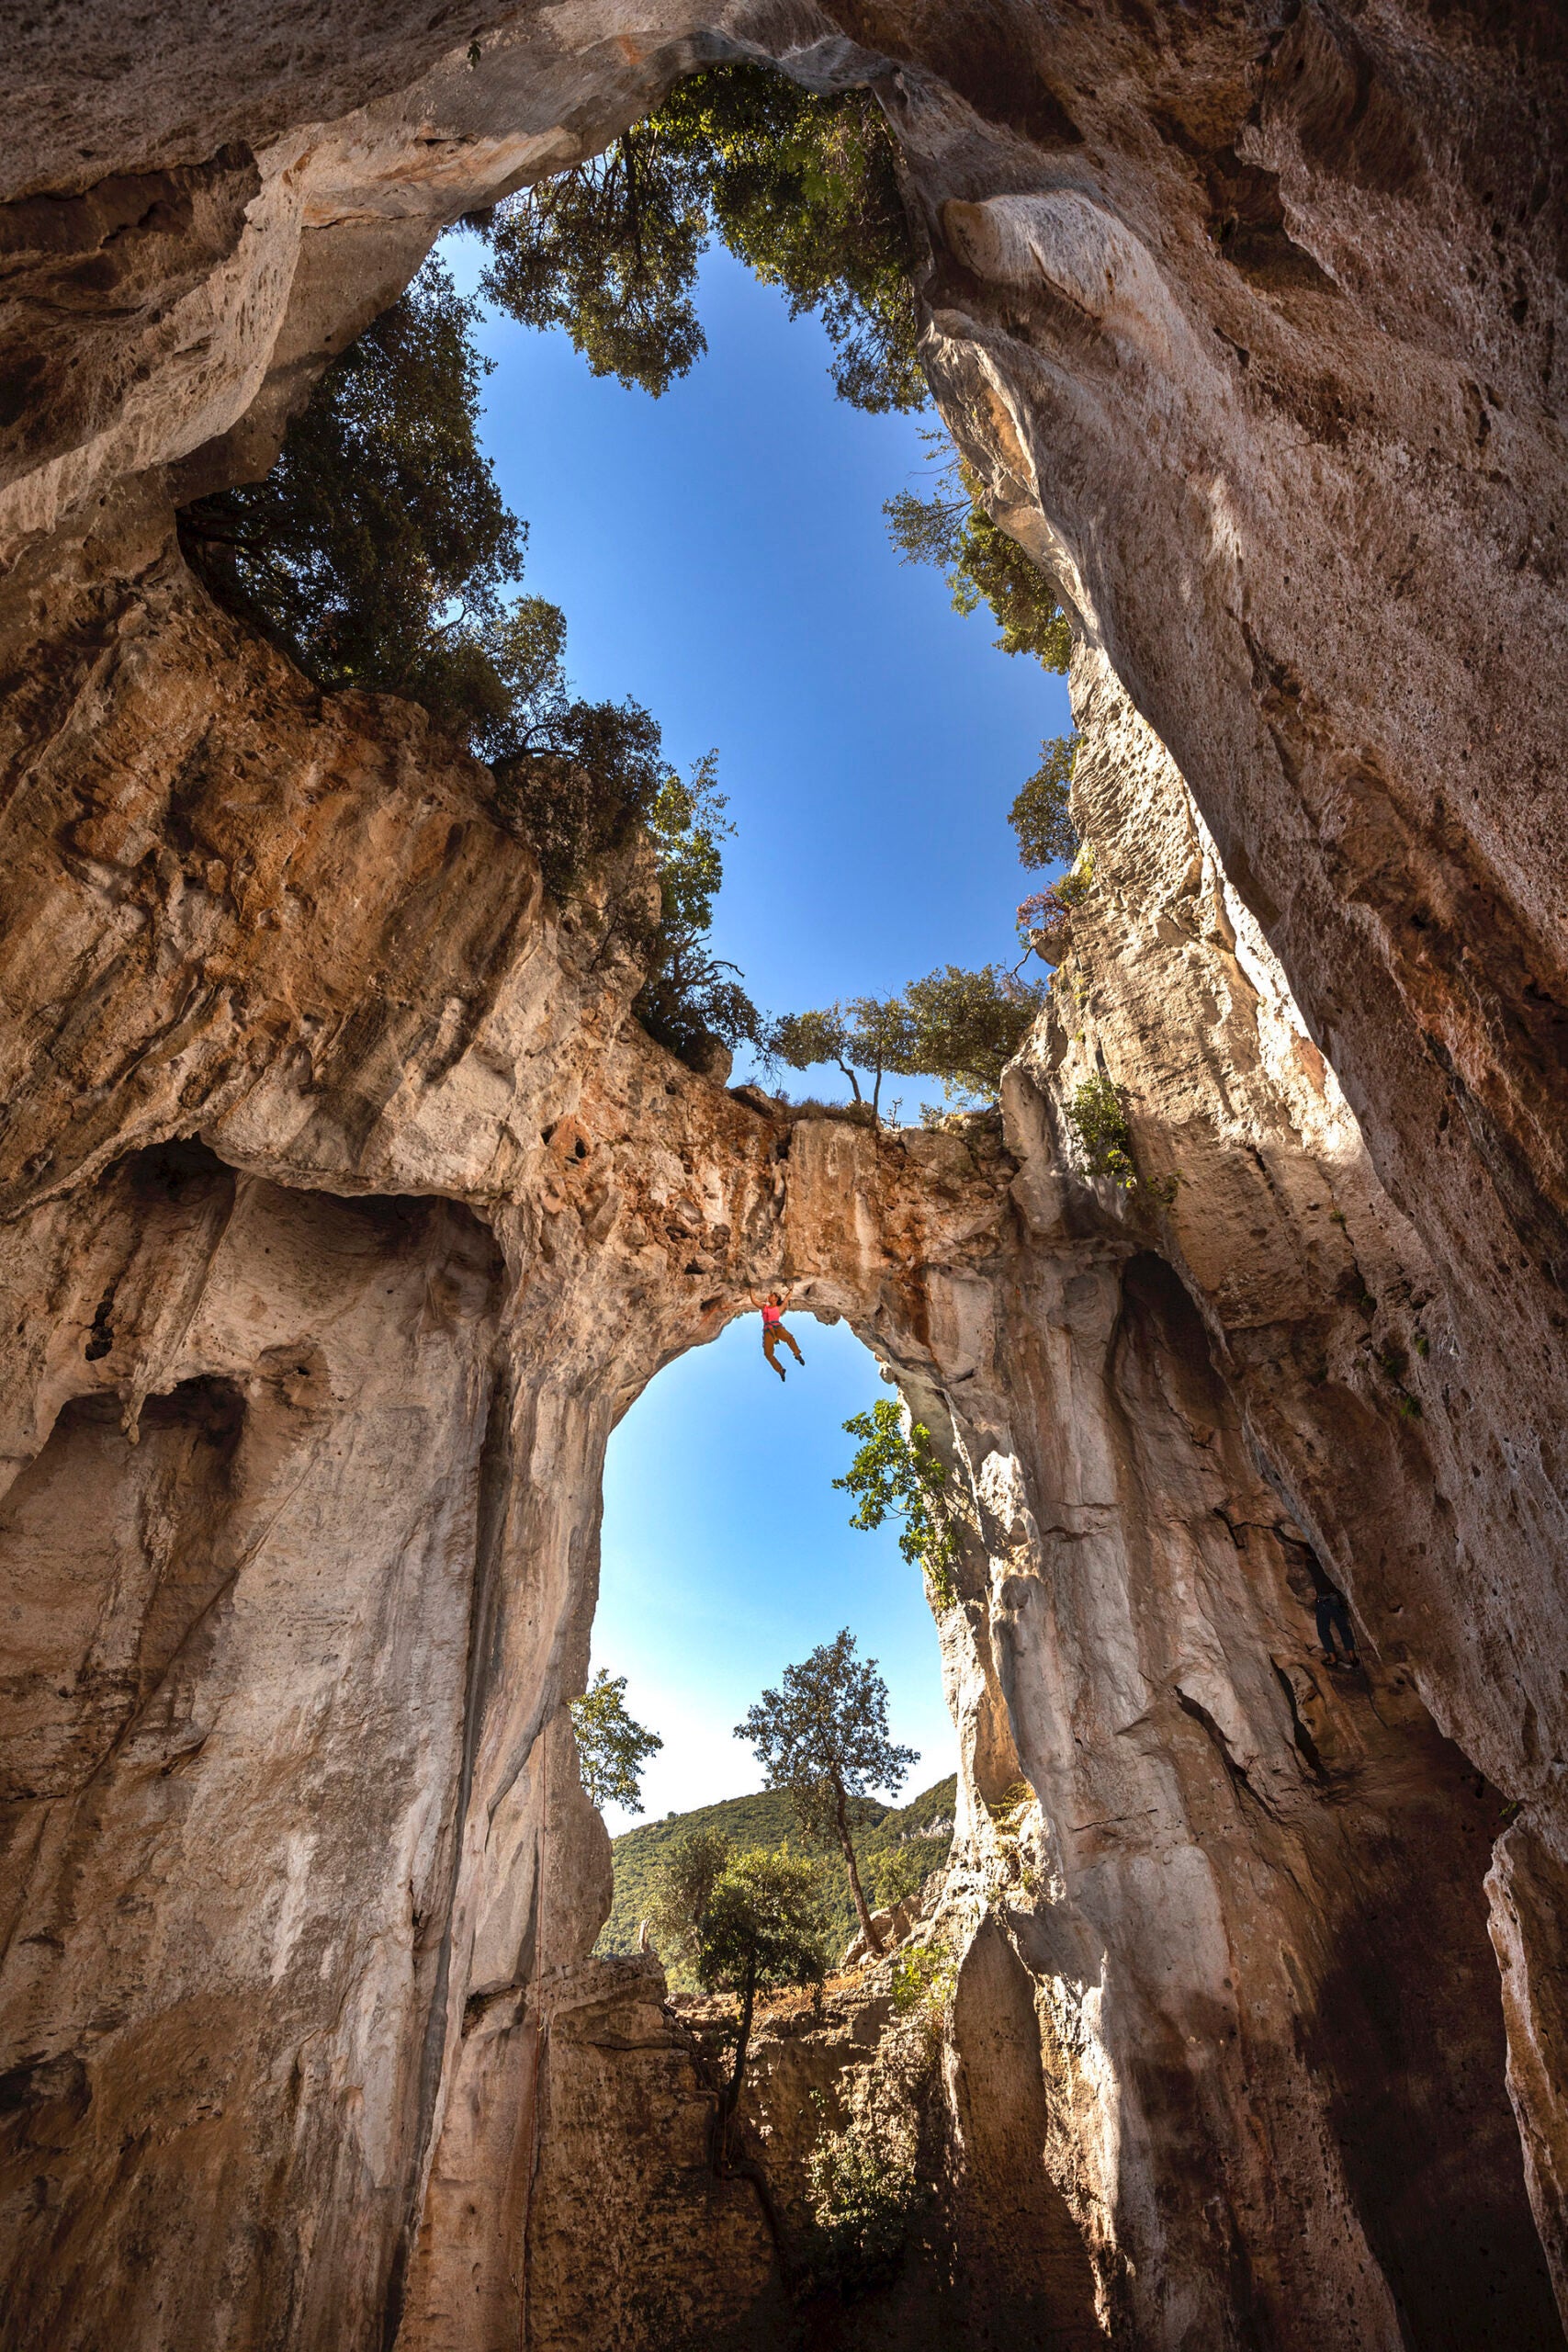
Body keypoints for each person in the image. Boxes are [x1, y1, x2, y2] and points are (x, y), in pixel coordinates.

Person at [750, 1287, 805, 1382]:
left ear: (775, 1299)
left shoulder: (779, 1308)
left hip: (777, 1327)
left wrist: (791, 1290)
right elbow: (754, 1302)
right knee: (768, 1354)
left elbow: (787, 1299)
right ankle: (780, 1370)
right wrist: (750, 1291)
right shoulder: (764, 1307)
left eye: (771, 1296)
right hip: (768, 1331)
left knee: (789, 1338)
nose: (769, 1296)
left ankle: (797, 1354)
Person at [1314, 1581, 1359, 1669]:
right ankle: (1352, 1658)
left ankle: (1333, 1659)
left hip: (1323, 1601)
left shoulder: (1314, 1567)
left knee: (1323, 1631)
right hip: (1335, 1600)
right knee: (1343, 1628)